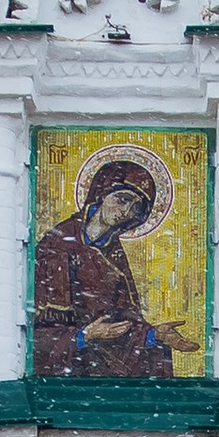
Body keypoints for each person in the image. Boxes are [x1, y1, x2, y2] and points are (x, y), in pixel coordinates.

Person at [30, 156, 198, 379]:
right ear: (102, 193)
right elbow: (39, 331)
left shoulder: (114, 255)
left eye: (134, 208)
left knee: (155, 354)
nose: (125, 212)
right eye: (122, 199)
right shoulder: (58, 245)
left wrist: (153, 335)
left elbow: (122, 322)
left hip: (98, 360)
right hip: (66, 366)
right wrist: (84, 335)